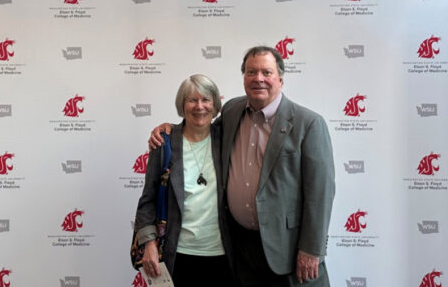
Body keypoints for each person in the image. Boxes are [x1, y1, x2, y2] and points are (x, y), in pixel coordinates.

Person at [150, 47, 335, 286]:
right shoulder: (231, 111)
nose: (258, 78)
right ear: (244, 78)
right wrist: (169, 129)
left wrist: (311, 249)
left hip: (287, 249)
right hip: (240, 250)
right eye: (251, 72)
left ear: (280, 78)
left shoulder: (308, 124)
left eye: (266, 72)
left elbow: (320, 195)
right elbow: (198, 126)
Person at [134, 74, 233, 287]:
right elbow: (147, 199)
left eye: (206, 100)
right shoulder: (164, 142)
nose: (200, 106)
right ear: (182, 105)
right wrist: (149, 242)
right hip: (178, 254)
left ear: (215, 105)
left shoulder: (226, 138)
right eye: (192, 100)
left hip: (222, 254)